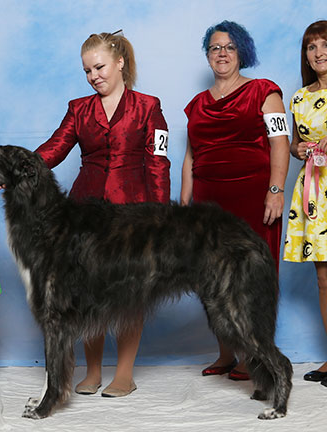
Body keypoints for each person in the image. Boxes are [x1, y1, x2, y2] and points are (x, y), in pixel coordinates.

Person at [35, 31, 170, 397]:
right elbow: (54, 148)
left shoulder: (149, 106)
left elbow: (158, 163)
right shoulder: (78, 109)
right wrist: (21, 169)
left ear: (120, 63)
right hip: (86, 214)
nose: (94, 76)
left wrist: (160, 217)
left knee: (131, 292)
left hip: (133, 215)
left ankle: (124, 373)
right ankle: (92, 371)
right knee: (84, 292)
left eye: (99, 67)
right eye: (87, 71)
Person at [181, 21, 290, 381]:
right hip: (209, 205)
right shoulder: (195, 105)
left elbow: (279, 143)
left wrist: (276, 190)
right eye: (215, 48)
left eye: (229, 47)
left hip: (254, 200)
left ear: (242, 51)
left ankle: (253, 356)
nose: (222, 53)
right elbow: (190, 157)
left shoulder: (265, 91)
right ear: (207, 55)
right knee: (212, 280)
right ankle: (226, 352)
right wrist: (184, 205)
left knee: (252, 279)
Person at [283, 20, 327, 386]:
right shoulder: (299, 97)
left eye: (325, 44)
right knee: (324, 278)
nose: (319, 52)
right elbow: (297, 144)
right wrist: (298, 149)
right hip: (314, 190)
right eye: (311, 47)